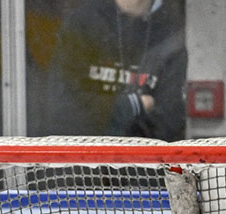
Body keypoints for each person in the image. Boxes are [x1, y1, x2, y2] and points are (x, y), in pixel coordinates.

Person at [35, 0, 187, 140]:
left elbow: (169, 125)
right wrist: (133, 105)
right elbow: (63, 110)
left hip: (143, 165)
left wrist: (103, 113)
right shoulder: (83, 22)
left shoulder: (170, 33)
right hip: (81, 164)